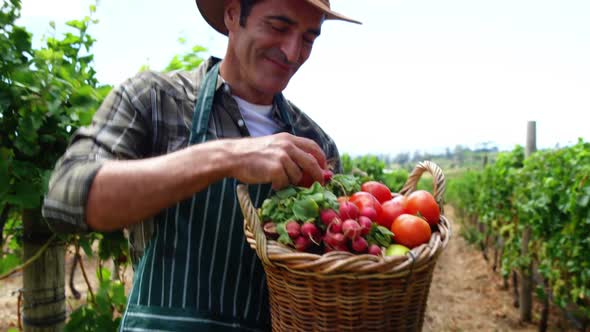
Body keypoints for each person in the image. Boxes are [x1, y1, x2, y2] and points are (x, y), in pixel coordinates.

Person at [42, 0, 360, 330]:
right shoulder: (155, 100)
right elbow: (66, 199)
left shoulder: (314, 143)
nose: (293, 52)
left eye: (308, 38)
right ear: (233, 13)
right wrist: (226, 157)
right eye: (278, 27)